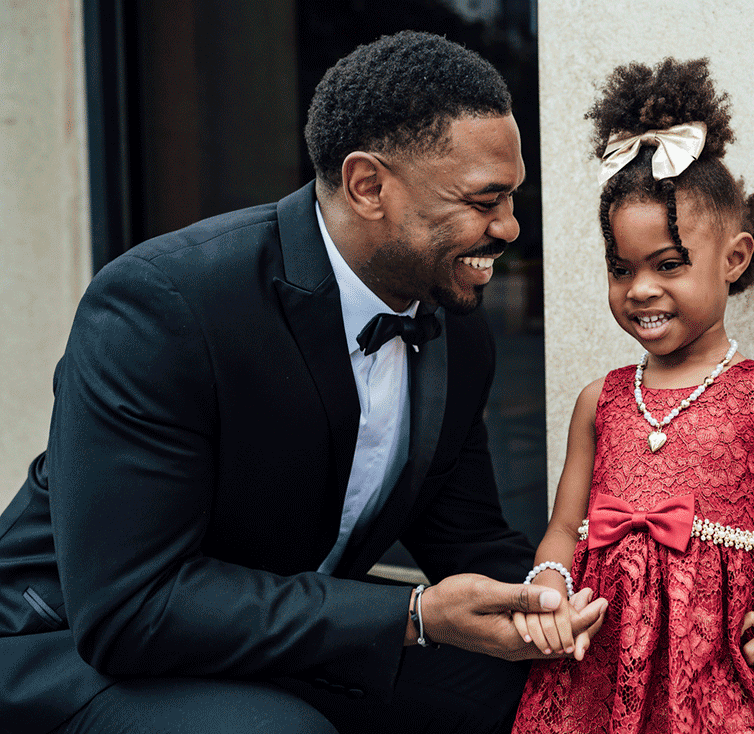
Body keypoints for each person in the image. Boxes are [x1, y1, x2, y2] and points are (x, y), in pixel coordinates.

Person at [0, 31, 605, 734]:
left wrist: (566, 605)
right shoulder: (162, 305)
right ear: (368, 186)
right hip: (75, 646)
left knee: (555, 689)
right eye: (483, 200)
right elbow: (130, 609)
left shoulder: (451, 325)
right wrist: (410, 617)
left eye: (513, 197)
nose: (509, 227)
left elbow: (466, 538)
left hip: (281, 638)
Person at [509, 58, 754, 733]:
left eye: (669, 265)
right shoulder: (598, 401)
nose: (641, 289)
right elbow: (562, 530)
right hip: (602, 682)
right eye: (621, 268)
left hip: (721, 689)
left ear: (734, 257)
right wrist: (549, 581)